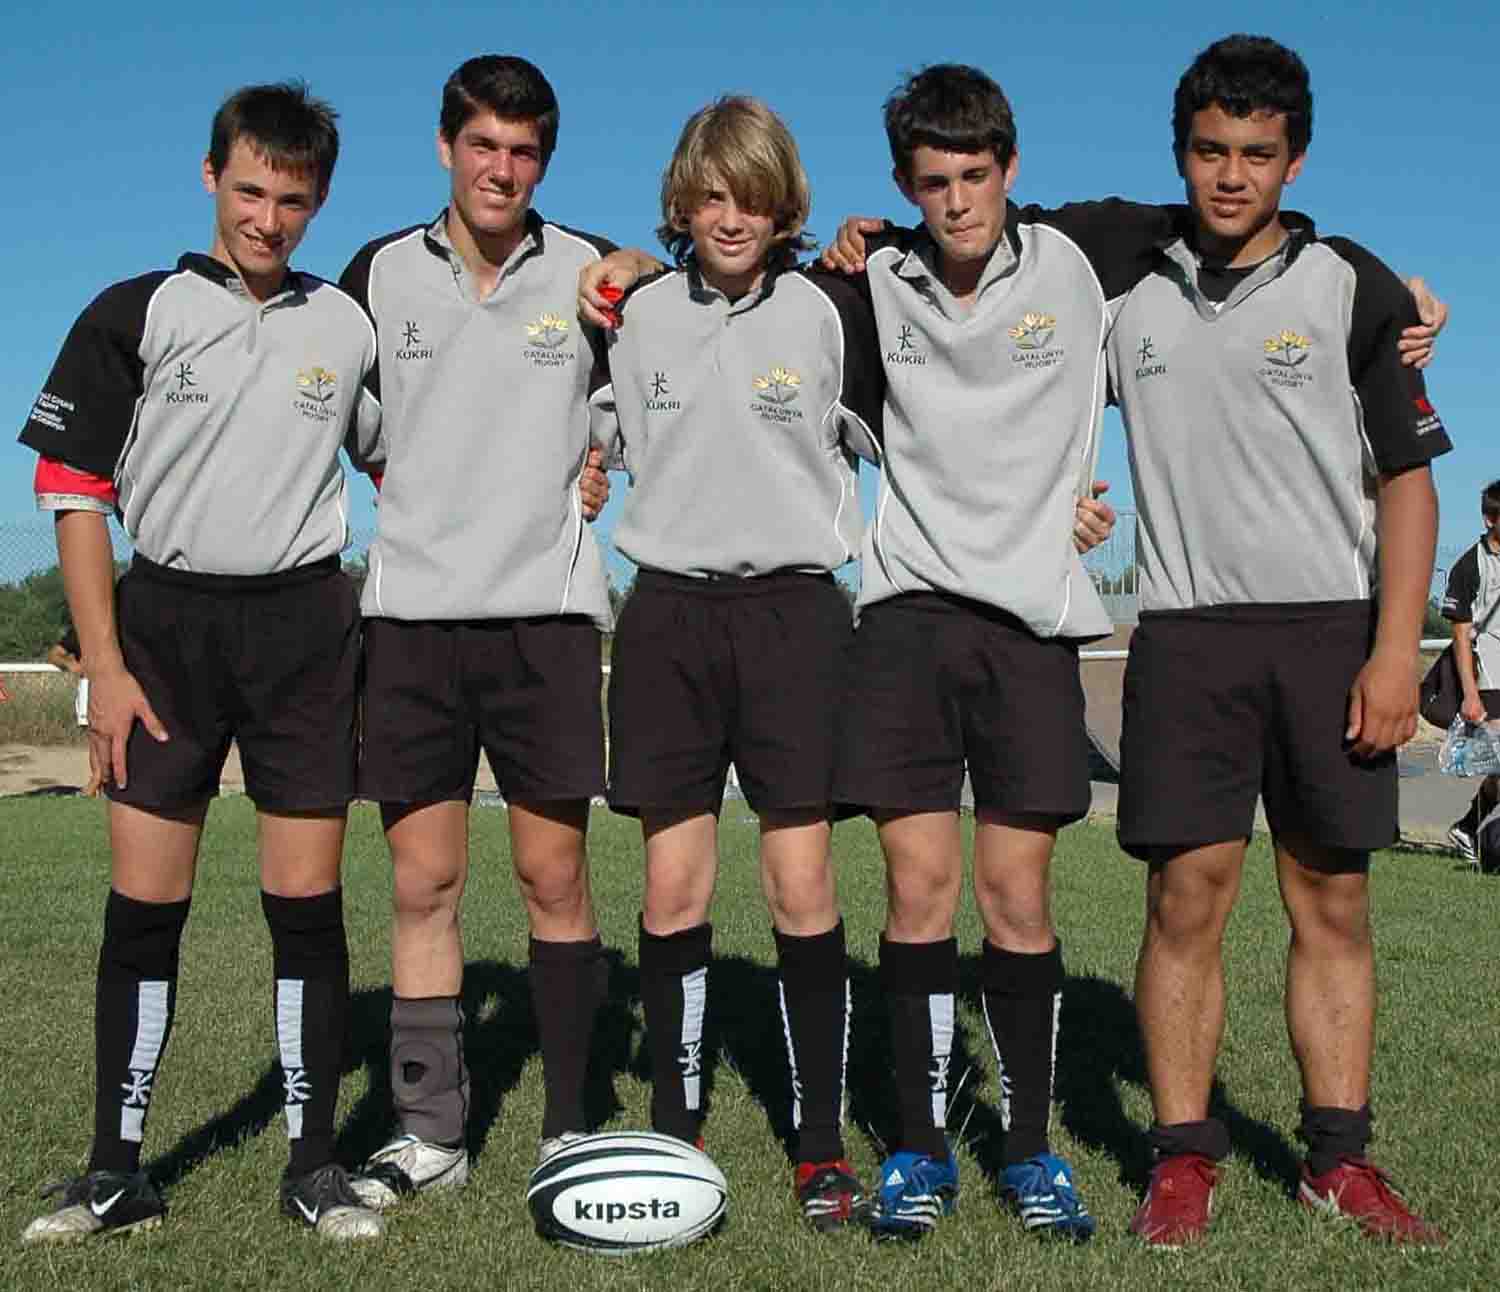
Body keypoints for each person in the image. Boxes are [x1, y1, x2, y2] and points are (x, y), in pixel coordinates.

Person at [18, 83, 387, 1242]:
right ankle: (114, 1171)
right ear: (211, 176)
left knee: (306, 906)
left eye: (293, 200)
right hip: (164, 632)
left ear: (319, 201)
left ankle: (314, 1166)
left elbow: (410, 463)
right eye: (250, 191)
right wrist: (106, 666)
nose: (268, 220)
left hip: (305, 630)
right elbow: (74, 492)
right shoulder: (137, 311)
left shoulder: (349, 326)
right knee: (145, 907)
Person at [1107, 34, 1448, 1247]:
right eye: (1211, 150)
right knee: (1185, 898)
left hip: (1327, 636)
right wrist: (860, 241)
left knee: (1333, 899)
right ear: (1180, 153)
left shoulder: (1352, 284)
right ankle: (1181, 1158)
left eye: (1257, 154)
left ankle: (1337, 1160)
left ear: (1295, 161)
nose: (1232, 175)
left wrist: (1396, 652)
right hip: (1186, 635)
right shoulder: (1121, 282)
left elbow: (1409, 483)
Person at [584, 96, 883, 1230]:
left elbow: (922, 427)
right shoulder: (635, 314)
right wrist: (588, 469)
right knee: (674, 886)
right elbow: (587, 437)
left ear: (783, 206)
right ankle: (677, 1121)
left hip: (796, 617)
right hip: (668, 615)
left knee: (800, 884)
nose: (731, 217)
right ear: (682, 202)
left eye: (753, 197)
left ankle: (819, 1142)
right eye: (712, 195)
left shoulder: (830, 309)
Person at [336, 55, 617, 1210]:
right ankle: (431, 1134)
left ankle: (567, 1125)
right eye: (484, 145)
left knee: (554, 873)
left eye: (524, 150)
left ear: (544, 160)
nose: (503, 169)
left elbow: (643, 396)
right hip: (411, 622)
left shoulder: (594, 272)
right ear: (446, 146)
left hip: (546, 620)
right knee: (424, 883)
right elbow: (352, 420)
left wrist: (598, 458)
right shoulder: (377, 273)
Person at [1442, 480, 1500, 865]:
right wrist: (1470, 693)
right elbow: (1461, 636)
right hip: (1490, 677)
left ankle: (1467, 826)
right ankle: (1472, 828)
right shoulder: (1469, 566)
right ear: (1490, 519)